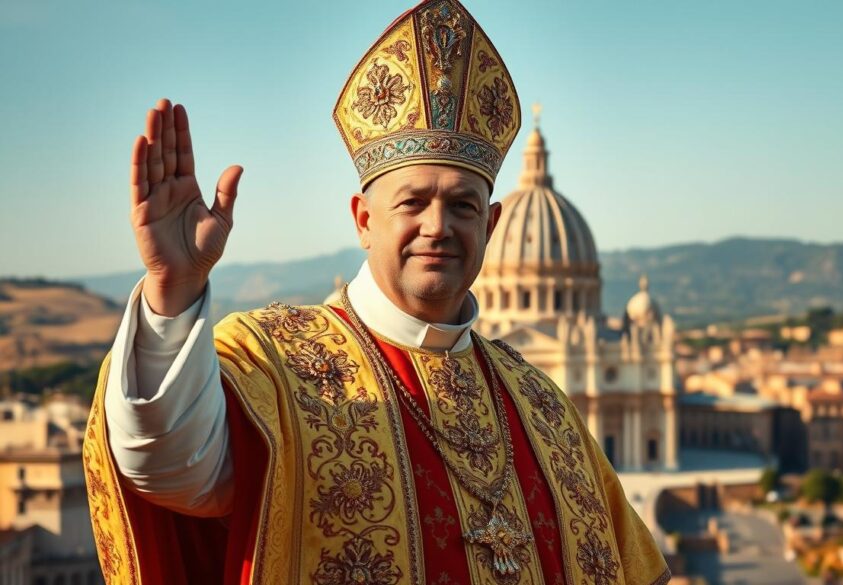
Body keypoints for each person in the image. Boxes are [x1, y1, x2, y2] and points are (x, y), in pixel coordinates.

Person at [83, 1, 670, 583]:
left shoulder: (543, 404)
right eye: (413, 202)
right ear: (363, 220)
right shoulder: (270, 363)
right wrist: (174, 288)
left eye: (462, 206)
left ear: (491, 225)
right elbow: (169, 466)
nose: (438, 227)